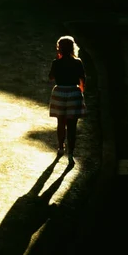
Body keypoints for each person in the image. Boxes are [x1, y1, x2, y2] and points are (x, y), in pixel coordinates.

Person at [48, 35, 86, 165]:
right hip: (73, 93)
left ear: (59, 49)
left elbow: (51, 77)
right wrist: (80, 93)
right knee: (72, 126)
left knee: (61, 122)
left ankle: (60, 147)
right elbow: (82, 81)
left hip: (59, 93)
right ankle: (71, 153)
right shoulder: (78, 62)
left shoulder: (56, 63)